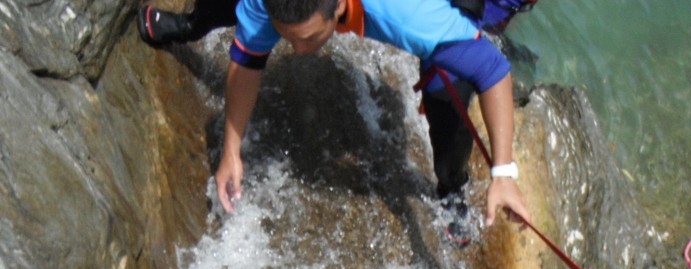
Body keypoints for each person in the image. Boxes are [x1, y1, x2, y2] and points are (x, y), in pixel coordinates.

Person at [137, 0, 532, 242]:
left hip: (429, 8)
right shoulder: (268, 3)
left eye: (307, 37)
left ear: (341, 8)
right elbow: (247, 61)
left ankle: (451, 190)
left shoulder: (405, 13)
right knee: (236, 6)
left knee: (451, 94)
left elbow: (493, 70)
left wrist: (503, 173)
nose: (297, 50)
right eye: (287, 37)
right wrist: (231, 151)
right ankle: (191, 24)